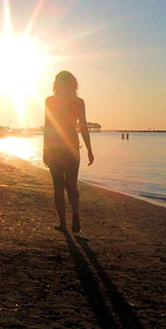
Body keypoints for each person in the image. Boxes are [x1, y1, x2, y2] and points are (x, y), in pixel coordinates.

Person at [43, 71, 94, 233]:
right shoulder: (78, 102)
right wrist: (89, 150)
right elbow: (83, 127)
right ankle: (75, 214)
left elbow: (48, 127)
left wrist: (44, 149)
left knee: (58, 187)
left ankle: (63, 224)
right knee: (71, 185)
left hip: (54, 148)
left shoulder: (50, 101)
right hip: (71, 147)